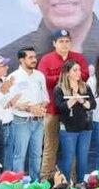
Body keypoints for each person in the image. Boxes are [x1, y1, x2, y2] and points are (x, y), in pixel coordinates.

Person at [37, 29, 89, 179]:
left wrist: (65, 77)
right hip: (52, 110)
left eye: (67, 41)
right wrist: (66, 75)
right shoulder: (46, 60)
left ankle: (71, 179)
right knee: (50, 146)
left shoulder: (78, 57)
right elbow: (44, 79)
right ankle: (46, 178)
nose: (64, 44)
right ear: (54, 43)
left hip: (73, 111)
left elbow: (84, 75)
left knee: (70, 148)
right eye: (61, 41)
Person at [8, 47, 48, 179]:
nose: (34, 60)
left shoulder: (39, 76)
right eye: (30, 57)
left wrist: (40, 107)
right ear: (21, 60)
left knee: (37, 154)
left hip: (38, 121)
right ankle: (17, 185)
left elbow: (45, 98)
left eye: (34, 57)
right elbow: (9, 102)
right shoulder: (13, 77)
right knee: (20, 155)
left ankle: (36, 185)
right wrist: (29, 108)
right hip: (21, 121)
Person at [53, 60, 96, 183]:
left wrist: (82, 100)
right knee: (68, 158)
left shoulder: (85, 86)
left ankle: (80, 182)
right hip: (68, 129)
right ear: (67, 73)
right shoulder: (59, 88)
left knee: (83, 158)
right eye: (75, 70)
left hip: (85, 127)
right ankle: (66, 185)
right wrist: (73, 99)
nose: (79, 72)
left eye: (79, 70)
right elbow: (60, 108)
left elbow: (93, 104)